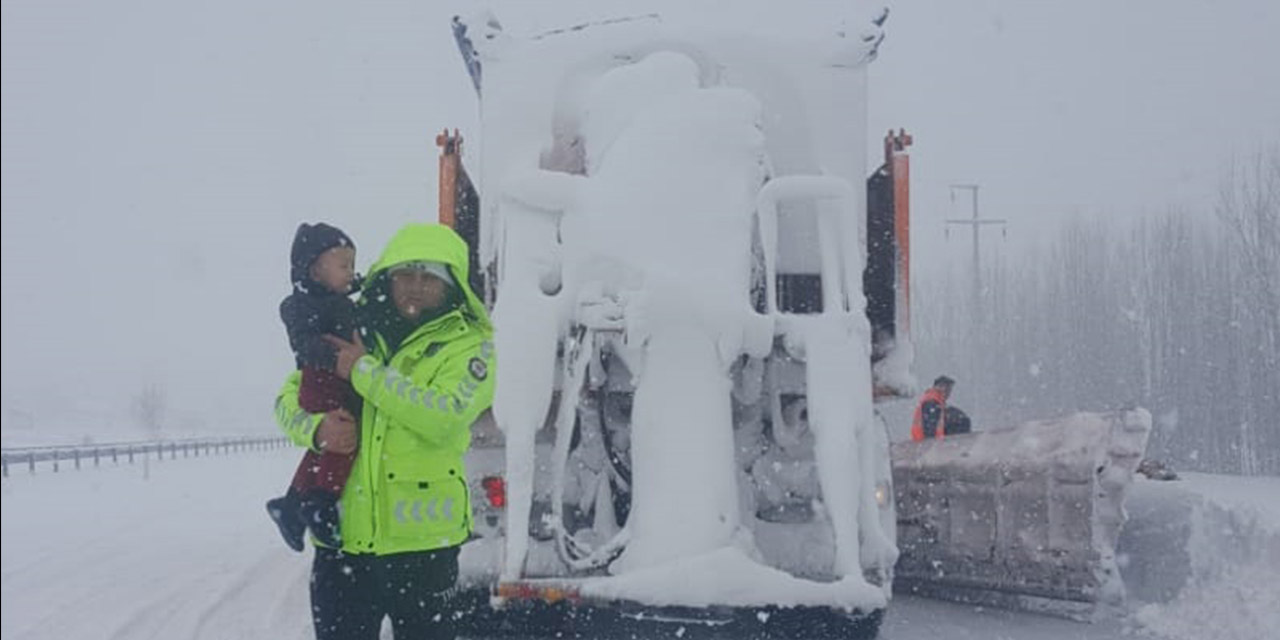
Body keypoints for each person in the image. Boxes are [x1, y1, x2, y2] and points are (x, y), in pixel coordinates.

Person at [273, 223, 496, 640]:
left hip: (423, 553)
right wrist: (317, 431)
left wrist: (363, 371)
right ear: (387, 278)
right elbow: (287, 399)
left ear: (452, 285)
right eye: (404, 275)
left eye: (430, 276)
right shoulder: (351, 325)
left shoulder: (471, 347)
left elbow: (444, 415)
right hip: (342, 549)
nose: (415, 286)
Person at [266, 222, 361, 551]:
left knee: (322, 448)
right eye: (344, 265)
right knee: (344, 439)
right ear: (315, 270)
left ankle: (291, 505)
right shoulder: (300, 305)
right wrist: (338, 358)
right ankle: (321, 503)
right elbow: (304, 345)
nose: (351, 272)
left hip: (333, 380)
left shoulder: (338, 301)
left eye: (353, 264)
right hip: (321, 380)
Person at [910, 375, 970, 441]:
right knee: (961, 420)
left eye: (949, 390)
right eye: (947, 388)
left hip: (925, 444)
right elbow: (930, 428)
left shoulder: (935, 402)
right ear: (939, 387)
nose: (948, 393)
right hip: (926, 443)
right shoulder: (932, 402)